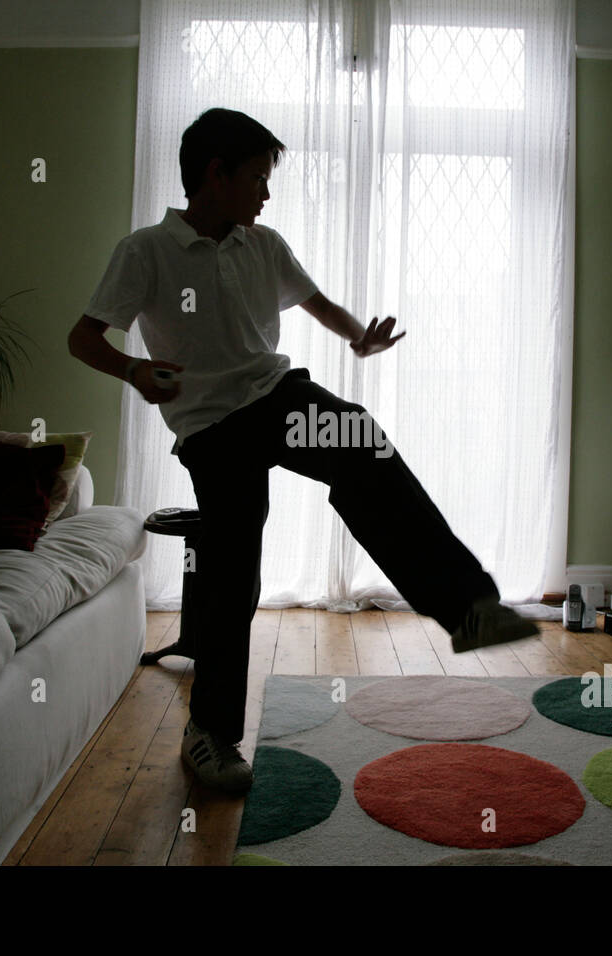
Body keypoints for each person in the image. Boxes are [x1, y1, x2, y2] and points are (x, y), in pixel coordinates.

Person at [67, 108, 536, 793]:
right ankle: (211, 736)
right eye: (256, 178)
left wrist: (359, 336)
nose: (265, 193)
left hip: (277, 400)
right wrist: (135, 369)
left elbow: (316, 303)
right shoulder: (146, 251)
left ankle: (468, 606)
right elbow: (84, 338)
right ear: (215, 174)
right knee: (233, 574)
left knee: (359, 440)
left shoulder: (263, 244)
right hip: (211, 430)